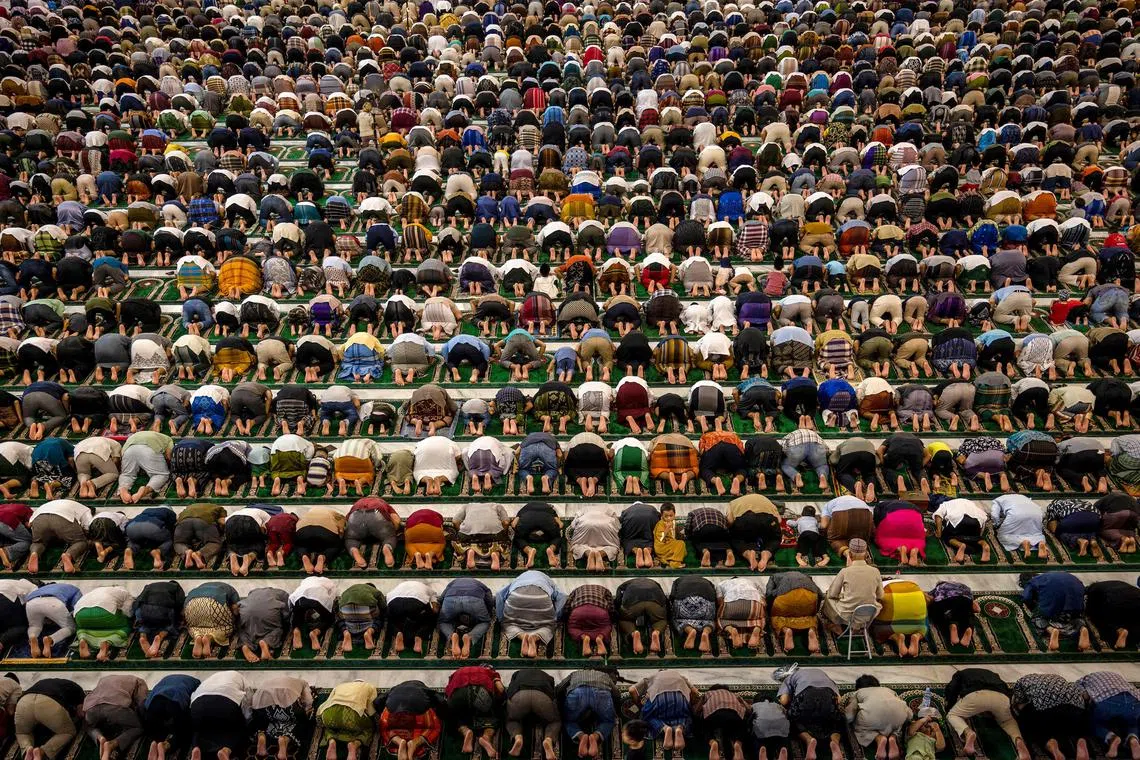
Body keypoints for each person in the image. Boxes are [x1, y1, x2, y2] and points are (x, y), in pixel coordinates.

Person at [944, 668, 1028, 760]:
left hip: (976, 695)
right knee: (1008, 721)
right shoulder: (994, 674)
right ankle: (1019, 742)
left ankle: (968, 732)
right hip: (1001, 697)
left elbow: (951, 689)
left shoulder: (960, 674)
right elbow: (1006, 689)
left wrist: (949, 707)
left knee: (952, 715)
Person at [1011, 674, 1090, 760]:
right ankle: (1080, 740)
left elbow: (1019, 704)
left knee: (1028, 722)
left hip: (1047, 711)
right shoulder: (1058, 677)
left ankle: (1050, 743)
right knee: (1076, 725)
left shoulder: (1021, 681)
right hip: (1075, 708)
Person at [777, 668, 845, 760]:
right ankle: (835, 743)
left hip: (806, 695)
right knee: (837, 721)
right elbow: (839, 700)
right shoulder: (822, 673)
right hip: (828, 694)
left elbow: (784, 701)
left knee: (791, 719)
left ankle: (809, 740)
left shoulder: (789, 678)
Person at [497, 570, 566, 658]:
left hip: (517, 596)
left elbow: (499, 595)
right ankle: (534, 637)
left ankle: (522, 637)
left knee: (508, 624)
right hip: (542, 598)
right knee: (548, 626)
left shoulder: (518, 580)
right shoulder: (548, 580)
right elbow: (562, 597)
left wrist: (501, 618)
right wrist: (556, 617)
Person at [14, 677, 85, 760]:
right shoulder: (78, 690)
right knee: (68, 732)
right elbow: (81, 712)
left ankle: (27, 750)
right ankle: (42, 751)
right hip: (49, 704)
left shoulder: (41, 682)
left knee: (22, 733)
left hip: (24, 702)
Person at [822, 538, 883, 633]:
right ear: (866, 554)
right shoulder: (875, 571)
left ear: (849, 554)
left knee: (827, 597)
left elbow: (832, 594)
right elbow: (880, 596)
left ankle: (837, 625)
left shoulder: (845, 572)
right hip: (869, 613)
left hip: (847, 614)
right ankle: (858, 627)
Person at [1020, 572, 1091, 651]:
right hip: (1076, 603)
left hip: (1054, 606)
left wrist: (1033, 606)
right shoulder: (1048, 576)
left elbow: (1026, 598)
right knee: (1075, 617)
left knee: (1037, 619)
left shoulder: (1032, 582)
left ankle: (1051, 630)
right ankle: (1082, 628)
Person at [1076, 671, 1140, 760]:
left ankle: (1111, 737)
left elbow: (1085, 696)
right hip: (1133, 700)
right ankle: (1133, 739)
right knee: (1133, 723)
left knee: (1093, 723)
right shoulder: (1117, 675)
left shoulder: (1082, 681)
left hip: (1108, 701)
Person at [558, 669, 620, 760]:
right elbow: (617, 694)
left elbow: (560, 688)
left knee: (569, 721)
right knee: (608, 721)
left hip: (577, 693)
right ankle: (595, 736)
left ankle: (581, 736)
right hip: (601, 693)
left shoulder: (574, 674)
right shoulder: (604, 675)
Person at [842, 675, 908, 759]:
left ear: (859, 687)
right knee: (898, 724)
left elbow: (850, 716)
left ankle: (879, 739)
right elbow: (907, 712)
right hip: (897, 717)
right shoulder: (889, 691)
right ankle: (893, 737)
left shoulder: (858, 692)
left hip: (872, 720)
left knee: (858, 726)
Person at [82, 675, 148, 760]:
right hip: (115, 708)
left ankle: (100, 738)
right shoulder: (139, 681)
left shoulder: (104, 678)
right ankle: (112, 744)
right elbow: (142, 705)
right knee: (138, 727)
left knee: (88, 725)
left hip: (92, 707)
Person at [375, 680, 444, 760]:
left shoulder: (394, 689)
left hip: (393, 712)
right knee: (435, 728)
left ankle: (399, 741)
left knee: (383, 727)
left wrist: (382, 712)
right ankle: (415, 743)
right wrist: (441, 715)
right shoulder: (425, 690)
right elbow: (442, 701)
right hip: (419, 713)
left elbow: (377, 701)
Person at [629, 673, 699, 752]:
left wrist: (638, 704)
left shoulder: (652, 676)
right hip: (680, 700)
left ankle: (665, 728)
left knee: (647, 716)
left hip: (659, 701)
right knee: (686, 715)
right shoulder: (680, 676)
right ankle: (679, 728)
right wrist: (691, 703)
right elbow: (695, 692)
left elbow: (632, 690)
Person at [445, 666, 504, 756]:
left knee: (455, 716)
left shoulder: (457, 672)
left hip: (458, 694)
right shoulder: (490, 672)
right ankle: (486, 737)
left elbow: (447, 692)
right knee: (492, 716)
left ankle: (466, 731)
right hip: (479, 692)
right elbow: (501, 689)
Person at [250, 676, 313, 760]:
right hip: (288, 708)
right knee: (303, 722)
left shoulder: (269, 680)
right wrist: (307, 710)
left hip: (264, 707)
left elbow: (253, 702)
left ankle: (261, 735)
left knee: (262, 720)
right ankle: (285, 739)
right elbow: (308, 701)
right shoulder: (303, 683)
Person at [504, 669, 560, 760]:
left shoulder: (517, 673)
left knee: (511, 720)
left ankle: (517, 737)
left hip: (519, 695)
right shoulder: (548, 676)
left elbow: (510, 687)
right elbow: (553, 691)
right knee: (554, 721)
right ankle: (548, 739)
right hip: (542, 697)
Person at [142, 674, 200, 760]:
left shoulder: (166, 678)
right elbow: (193, 704)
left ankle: (155, 744)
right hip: (175, 701)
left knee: (155, 729)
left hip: (154, 702)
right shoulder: (196, 683)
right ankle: (166, 746)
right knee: (184, 732)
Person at [316, 681, 378, 760]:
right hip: (352, 716)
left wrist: (320, 717)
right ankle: (354, 745)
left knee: (329, 728)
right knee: (368, 729)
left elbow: (326, 703)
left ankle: (331, 741)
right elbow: (371, 710)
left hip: (329, 714)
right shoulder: (370, 686)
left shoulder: (339, 686)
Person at [437, 578, 495, 658]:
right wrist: (488, 612)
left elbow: (440, 599)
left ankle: (452, 635)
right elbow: (489, 600)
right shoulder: (480, 584)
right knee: (484, 622)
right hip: (474, 600)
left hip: (451, 599)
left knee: (443, 622)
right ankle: (469, 636)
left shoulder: (453, 582)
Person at [336, 583, 385, 654]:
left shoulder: (350, 588)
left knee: (340, 619)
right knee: (380, 618)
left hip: (346, 609)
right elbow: (384, 607)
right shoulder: (375, 591)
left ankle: (346, 632)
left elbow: (339, 604)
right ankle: (369, 631)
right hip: (365, 609)